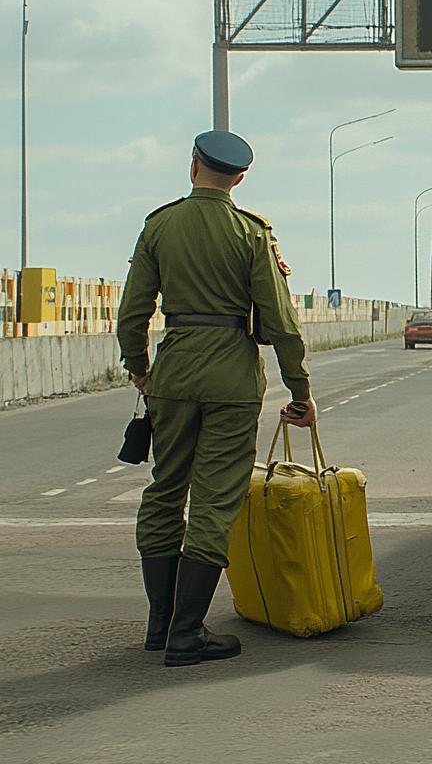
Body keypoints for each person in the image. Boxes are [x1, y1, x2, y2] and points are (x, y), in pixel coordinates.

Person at [116, 130, 316, 667]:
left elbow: (132, 314)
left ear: (193, 168)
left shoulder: (159, 226)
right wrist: (300, 391)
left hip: (173, 375)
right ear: (241, 179)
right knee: (213, 501)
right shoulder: (253, 234)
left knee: (164, 489)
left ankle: (159, 626)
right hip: (231, 377)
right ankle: (187, 632)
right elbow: (279, 322)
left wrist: (140, 370)